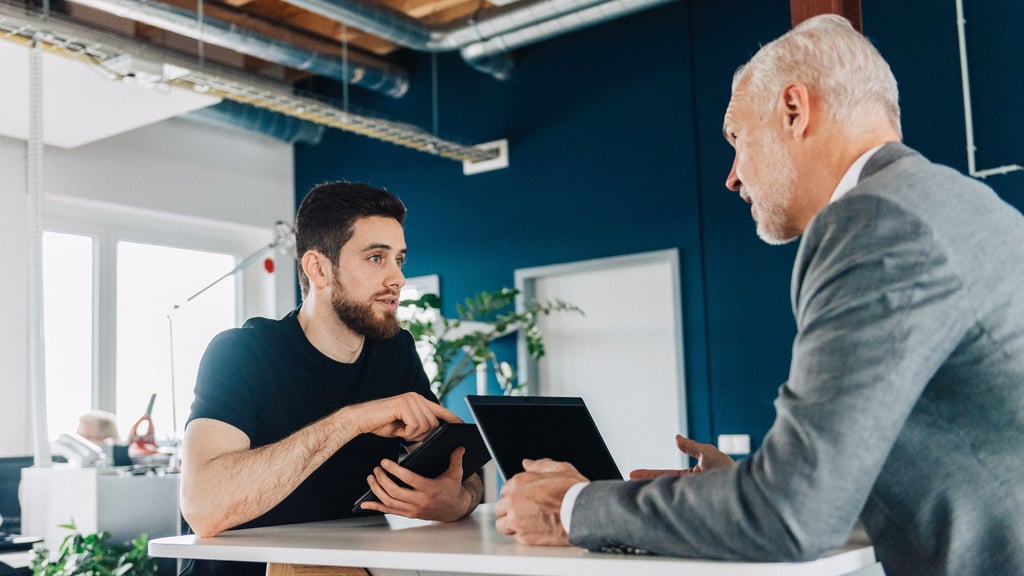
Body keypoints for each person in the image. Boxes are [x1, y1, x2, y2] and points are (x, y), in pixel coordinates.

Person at [493, 14, 1024, 576]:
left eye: (737, 138)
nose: (731, 176)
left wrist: (572, 508)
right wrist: (741, 485)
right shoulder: (962, 205)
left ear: (794, 110)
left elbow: (794, 514)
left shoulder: (875, 221)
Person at [180, 182, 483, 576]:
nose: (398, 279)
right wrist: (350, 420)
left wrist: (457, 500)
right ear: (318, 268)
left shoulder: (395, 352)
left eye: (399, 260)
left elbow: (462, 470)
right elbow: (205, 508)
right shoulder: (242, 353)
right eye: (376, 258)